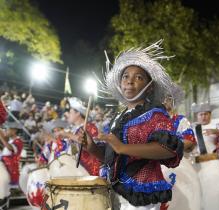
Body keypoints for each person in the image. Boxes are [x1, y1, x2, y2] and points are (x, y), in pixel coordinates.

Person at [77, 40, 184, 209]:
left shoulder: (156, 115)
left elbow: (168, 149)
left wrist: (123, 148)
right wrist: (93, 148)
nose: (130, 81)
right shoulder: (117, 118)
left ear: (149, 87)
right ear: (120, 84)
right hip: (113, 192)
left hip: (141, 196)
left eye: (138, 77)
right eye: (125, 76)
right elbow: (111, 157)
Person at [55, 97, 101, 176]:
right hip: (75, 170)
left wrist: (68, 134)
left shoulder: (89, 126)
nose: (68, 114)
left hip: (87, 171)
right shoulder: (73, 130)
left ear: (78, 113)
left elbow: (87, 143)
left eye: (70, 112)